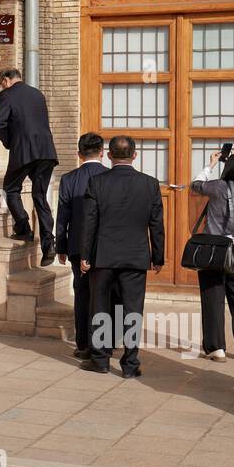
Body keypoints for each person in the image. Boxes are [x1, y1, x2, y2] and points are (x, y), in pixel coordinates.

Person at [80, 135, 164, 378]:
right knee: (132, 310)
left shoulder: (97, 182)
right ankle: (130, 363)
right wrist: (158, 257)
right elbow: (156, 224)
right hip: (136, 257)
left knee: (100, 308)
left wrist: (85, 255)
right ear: (135, 155)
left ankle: (100, 359)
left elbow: (89, 222)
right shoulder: (150, 184)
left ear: (109, 155)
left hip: (103, 256)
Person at [190, 148, 234, 362]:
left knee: (212, 299)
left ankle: (217, 348)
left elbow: (195, 185)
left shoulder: (216, 186)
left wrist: (210, 165)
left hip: (213, 252)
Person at [0, 68, 58, 267]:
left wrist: (10, 142)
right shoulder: (38, 94)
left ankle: (23, 228)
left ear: (5, 80)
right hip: (46, 151)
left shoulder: (6, 94)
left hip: (24, 150)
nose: (1, 86)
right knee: (40, 196)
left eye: (1, 83)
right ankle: (49, 246)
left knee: (11, 188)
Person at [54, 132, 109, 359]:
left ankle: (83, 344)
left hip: (77, 245)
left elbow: (63, 215)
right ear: (102, 153)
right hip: (107, 247)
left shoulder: (69, 179)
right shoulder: (110, 177)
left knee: (82, 294)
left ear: (79, 154)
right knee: (105, 294)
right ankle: (103, 342)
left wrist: (61, 246)